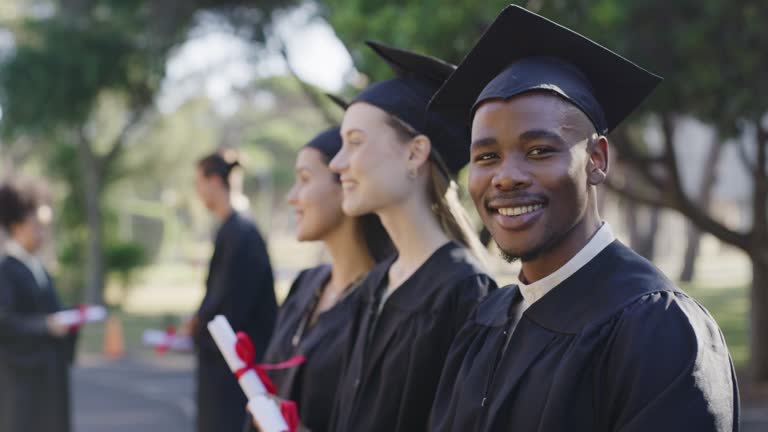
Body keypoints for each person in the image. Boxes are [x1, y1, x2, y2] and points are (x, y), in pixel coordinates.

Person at [427, 5, 739, 431]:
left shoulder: (657, 328)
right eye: (486, 157)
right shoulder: (487, 319)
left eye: (539, 150)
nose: (506, 177)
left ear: (596, 160)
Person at [327, 42, 497, 432]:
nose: (337, 163)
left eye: (354, 142)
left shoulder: (463, 289)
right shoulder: (376, 283)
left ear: (415, 153)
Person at [252, 126, 393, 432]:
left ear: (346, 182)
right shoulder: (305, 285)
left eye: (304, 180)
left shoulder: (385, 303)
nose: (292, 197)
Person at [187, 152, 278, 432]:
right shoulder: (233, 229)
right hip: (225, 366)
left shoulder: (242, 233)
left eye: (199, 182)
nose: (197, 191)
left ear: (215, 182)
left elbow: (230, 305)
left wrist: (199, 324)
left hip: (235, 367)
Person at [0, 181, 77, 432]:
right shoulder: (6, 270)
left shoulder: (39, 267)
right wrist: (45, 325)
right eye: (37, 227)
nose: (43, 234)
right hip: (21, 378)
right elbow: (5, 321)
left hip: (49, 373)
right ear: (17, 226)